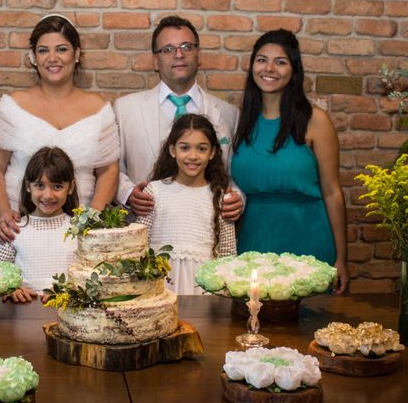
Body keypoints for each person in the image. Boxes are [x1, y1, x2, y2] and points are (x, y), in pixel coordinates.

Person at [0, 14, 119, 258]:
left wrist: (93, 218)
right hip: (16, 227)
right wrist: (4, 212)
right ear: (33, 57)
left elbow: (108, 171)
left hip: (76, 231)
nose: (52, 58)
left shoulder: (99, 110)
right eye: (43, 50)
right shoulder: (12, 106)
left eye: (62, 49)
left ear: (76, 54)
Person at [231, 29, 348, 293]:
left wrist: (342, 257)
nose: (269, 68)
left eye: (280, 62)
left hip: (309, 239)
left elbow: (332, 191)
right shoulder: (241, 122)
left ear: (294, 71)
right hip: (254, 240)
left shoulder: (316, 120)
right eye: (261, 60)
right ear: (251, 67)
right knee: (256, 324)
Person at [114, 15, 243, 220]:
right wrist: (128, 194)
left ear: (198, 55)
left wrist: (238, 199)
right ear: (156, 61)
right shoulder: (125, 109)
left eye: (186, 47)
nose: (179, 55)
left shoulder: (229, 113)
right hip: (143, 226)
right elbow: (113, 170)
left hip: (206, 229)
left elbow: (234, 174)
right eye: (168, 49)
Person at [137, 114, 236, 294]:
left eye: (201, 148)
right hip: (160, 286)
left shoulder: (222, 198)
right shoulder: (154, 191)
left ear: (212, 152)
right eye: (185, 148)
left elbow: (228, 254)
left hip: (205, 289)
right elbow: (139, 246)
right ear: (173, 150)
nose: (193, 156)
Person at [0, 147, 79, 304]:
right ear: (28, 186)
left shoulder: (80, 230)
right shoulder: (14, 229)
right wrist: (12, 288)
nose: (48, 195)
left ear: (71, 187)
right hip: (24, 314)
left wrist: (70, 290)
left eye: (57, 186)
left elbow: (90, 274)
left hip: (69, 313)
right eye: (40, 186)